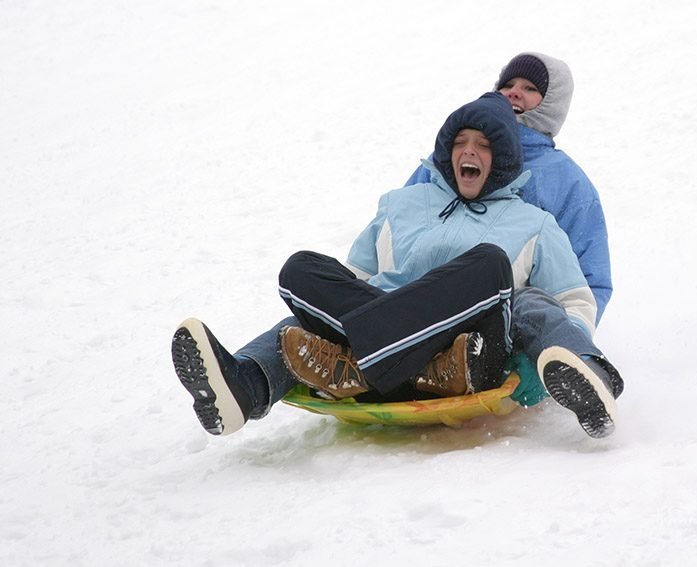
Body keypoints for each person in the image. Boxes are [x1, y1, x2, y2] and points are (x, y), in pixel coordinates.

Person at [171, 93, 623, 441]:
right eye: (460, 142)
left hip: (471, 347)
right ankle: (246, 386)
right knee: (301, 271)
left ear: (502, 160)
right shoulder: (402, 204)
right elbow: (356, 282)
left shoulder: (534, 223)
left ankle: (590, 374)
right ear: (446, 152)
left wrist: (535, 365)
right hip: (400, 330)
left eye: (484, 145)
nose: (469, 152)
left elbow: (573, 301)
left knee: (495, 272)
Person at [406, 52, 613, 324]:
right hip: (423, 299)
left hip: (510, 322)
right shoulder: (448, 157)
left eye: (530, 88)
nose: (514, 93)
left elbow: (588, 278)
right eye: (508, 85)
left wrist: (572, 335)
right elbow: (402, 224)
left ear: (553, 103)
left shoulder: (566, 180)